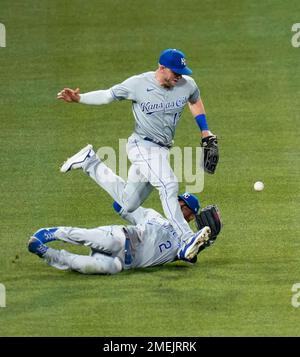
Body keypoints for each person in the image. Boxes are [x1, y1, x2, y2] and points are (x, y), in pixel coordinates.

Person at [57, 48, 218, 243]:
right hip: (142, 146)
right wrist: (79, 98)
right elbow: (108, 95)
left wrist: (205, 131)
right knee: (168, 185)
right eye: (175, 72)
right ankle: (186, 237)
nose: (179, 76)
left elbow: (194, 100)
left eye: (181, 72)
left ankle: (89, 161)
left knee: (128, 204)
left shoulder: (187, 85)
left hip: (163, 150)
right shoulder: (138, 84)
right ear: (162, 68)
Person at [27, 193, 212, 275]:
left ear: (190, 215)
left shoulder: (183, 242)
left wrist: (205, 241)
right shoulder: (152, 214)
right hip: (121, 237)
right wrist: (134, 191)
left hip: (122, 263)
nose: (178, 205)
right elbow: (120, 205)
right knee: (104, 240)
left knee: (90, 266)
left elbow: (189, 255)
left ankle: (44, 251)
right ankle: (53, 233)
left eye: (183, 205)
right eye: (178, 201)